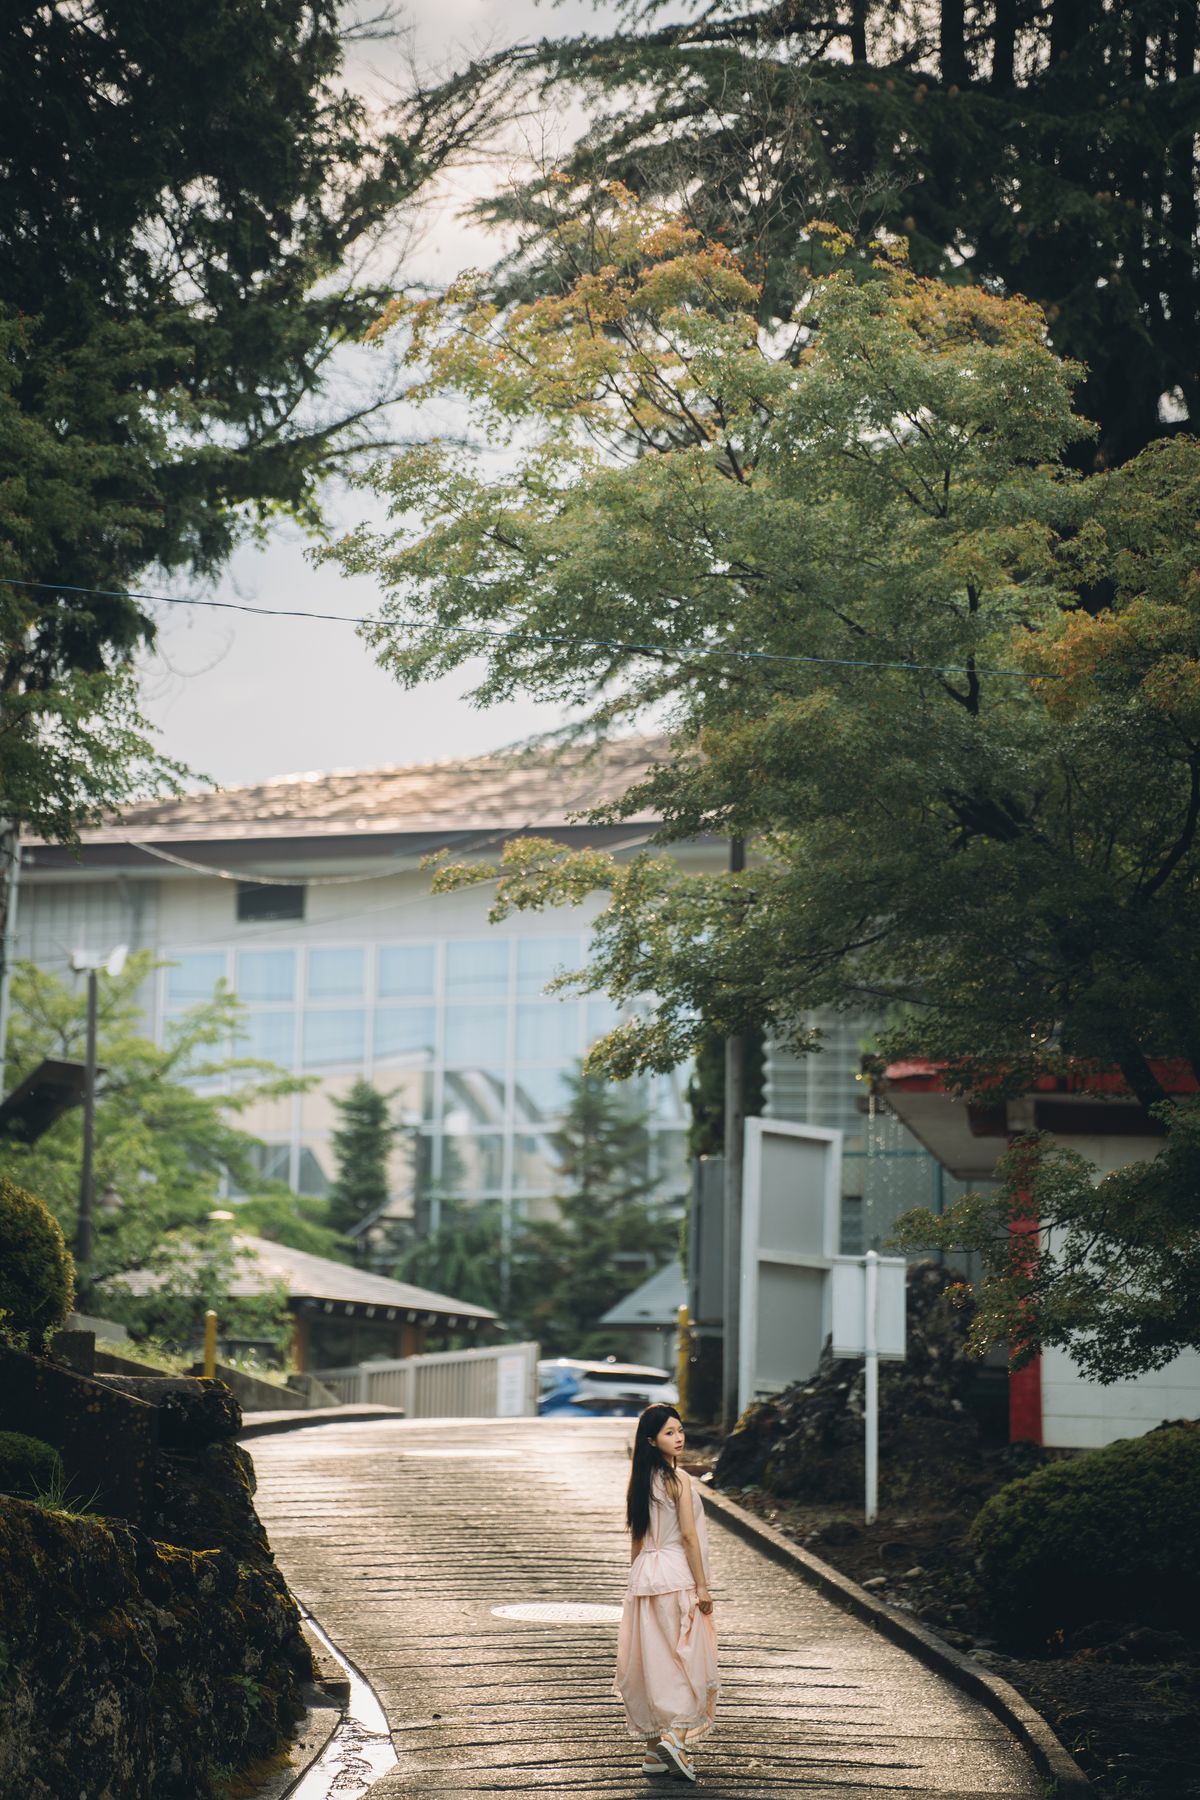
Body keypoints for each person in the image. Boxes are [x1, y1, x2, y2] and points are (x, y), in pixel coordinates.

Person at [614, 1403, 720, 1783]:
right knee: (687, 1658)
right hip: (676, 1575)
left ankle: (652, 1751)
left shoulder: (639, 1481)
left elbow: (638, 1538)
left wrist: (635, 1579)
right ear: (651, 1440)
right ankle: (675, 1738)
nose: (679, 1438)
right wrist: (702, 1586)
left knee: (651, 1662)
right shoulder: (678, 1480)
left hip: (645, 1576)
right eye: (669, 1432)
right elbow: (689, 1537)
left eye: (680, 1430)